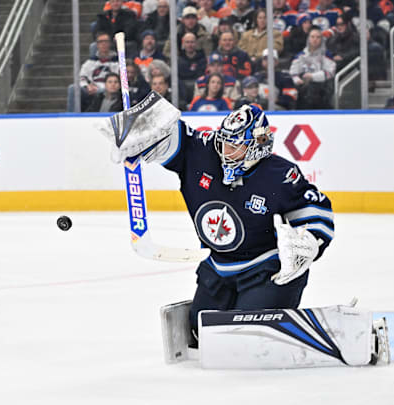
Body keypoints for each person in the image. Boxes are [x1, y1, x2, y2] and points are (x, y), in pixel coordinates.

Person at [100, 102, 338, 364]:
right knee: (201, 335)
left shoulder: (280, 175)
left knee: (244, 341)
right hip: (217, 268)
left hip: (266, 270)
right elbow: (172, 132)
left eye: (235, 146)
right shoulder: (203, 152)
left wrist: (309, 241)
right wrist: (138, 124)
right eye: (224, 143)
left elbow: (316, 210)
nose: (226, 152)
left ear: (257, 145)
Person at [67, 31, 119, 112]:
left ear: (110, 43)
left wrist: (100, 88)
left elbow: (117, 80)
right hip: (90, 88)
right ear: (97, 45)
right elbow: (82, 78)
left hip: (107, 88)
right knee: (73, 88)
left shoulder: (118, 62)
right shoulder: (89, 63)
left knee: (102, 91)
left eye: (106, 41)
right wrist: (86, 86)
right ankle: (71, 117)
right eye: (101, 42)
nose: (103, 44)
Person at [289, 26, 335, 109]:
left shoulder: (326, 55)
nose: (315, 39)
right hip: (303, 88)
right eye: (312, 37)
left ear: (321, 39)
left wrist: (313, 76)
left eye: (318, 37)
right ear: (308, 39)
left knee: (312, 90)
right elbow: (293, 72)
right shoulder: (301, 55)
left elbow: (330, 73)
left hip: (321, 88)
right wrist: (297, 80)